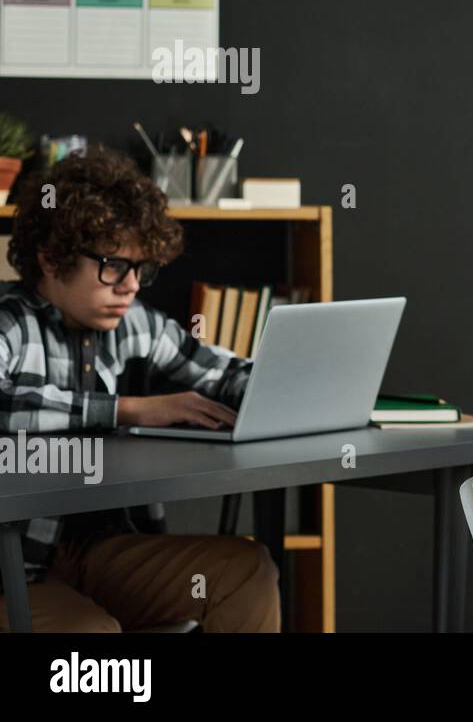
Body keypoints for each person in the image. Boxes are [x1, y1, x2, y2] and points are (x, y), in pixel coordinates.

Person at [0, 147, 279, 631]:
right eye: (112, 264)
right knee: (94, 633)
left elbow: (221, 372)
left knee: (247, 572)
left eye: (139, 268)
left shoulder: (138, 325)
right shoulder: (11, 322)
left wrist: (302, 387)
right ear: (50, 258)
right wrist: (128, 409)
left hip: (103, 552)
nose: (129, 285)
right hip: (16, 569)